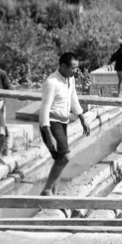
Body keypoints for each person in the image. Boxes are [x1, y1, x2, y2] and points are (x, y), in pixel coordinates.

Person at [39, 53, 91, 196]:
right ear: (63, 66)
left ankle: (54, 193)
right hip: (51, 123)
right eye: (73, 68)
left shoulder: (70, 79)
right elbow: (44, 108)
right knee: (65, 157)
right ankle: (47, 190)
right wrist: (49, 135)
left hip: (62, 122)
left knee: (59, 159)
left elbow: (73, 98)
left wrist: (82, 118)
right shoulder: (52, 82)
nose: (75, 71)